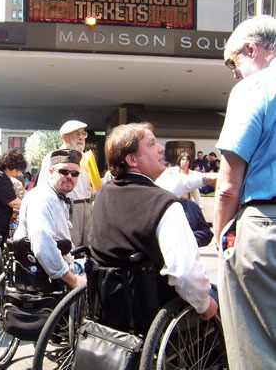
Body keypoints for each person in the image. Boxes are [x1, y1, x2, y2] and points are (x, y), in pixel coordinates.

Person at [90, 123, 217, 325]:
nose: (161, 149)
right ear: (132, 159)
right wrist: (204, 304)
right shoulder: (164, 204)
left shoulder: (103, 195)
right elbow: (185, 273)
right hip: (151, 311)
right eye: (151, 144)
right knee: (214, 297)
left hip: (107, 306)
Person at [214, 15, 276, 370]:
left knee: (255, 348)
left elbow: (227, 187)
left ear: (251, 49)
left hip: (264, 230)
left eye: (232, 62)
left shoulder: (253, 89)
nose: (234, 73)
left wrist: (222, 237)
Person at [14, 149, 87, 289]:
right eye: (64, 171)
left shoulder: (56, 197)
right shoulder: (42, 199)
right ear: (51, 172)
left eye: (75, 173)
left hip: (61, 263)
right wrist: (74, 281)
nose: (69, 176)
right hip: (48, 274)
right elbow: (43, 247)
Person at [37, 120, 93, 247]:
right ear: (64, 137)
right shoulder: (54, 157)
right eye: (76, 134)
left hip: (88, 208)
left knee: (90, 248)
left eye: (83, 134)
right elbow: (43, 187)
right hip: (69, 208)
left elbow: (88, 187)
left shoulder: (86, 157)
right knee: (70, 248)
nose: (81, 137)